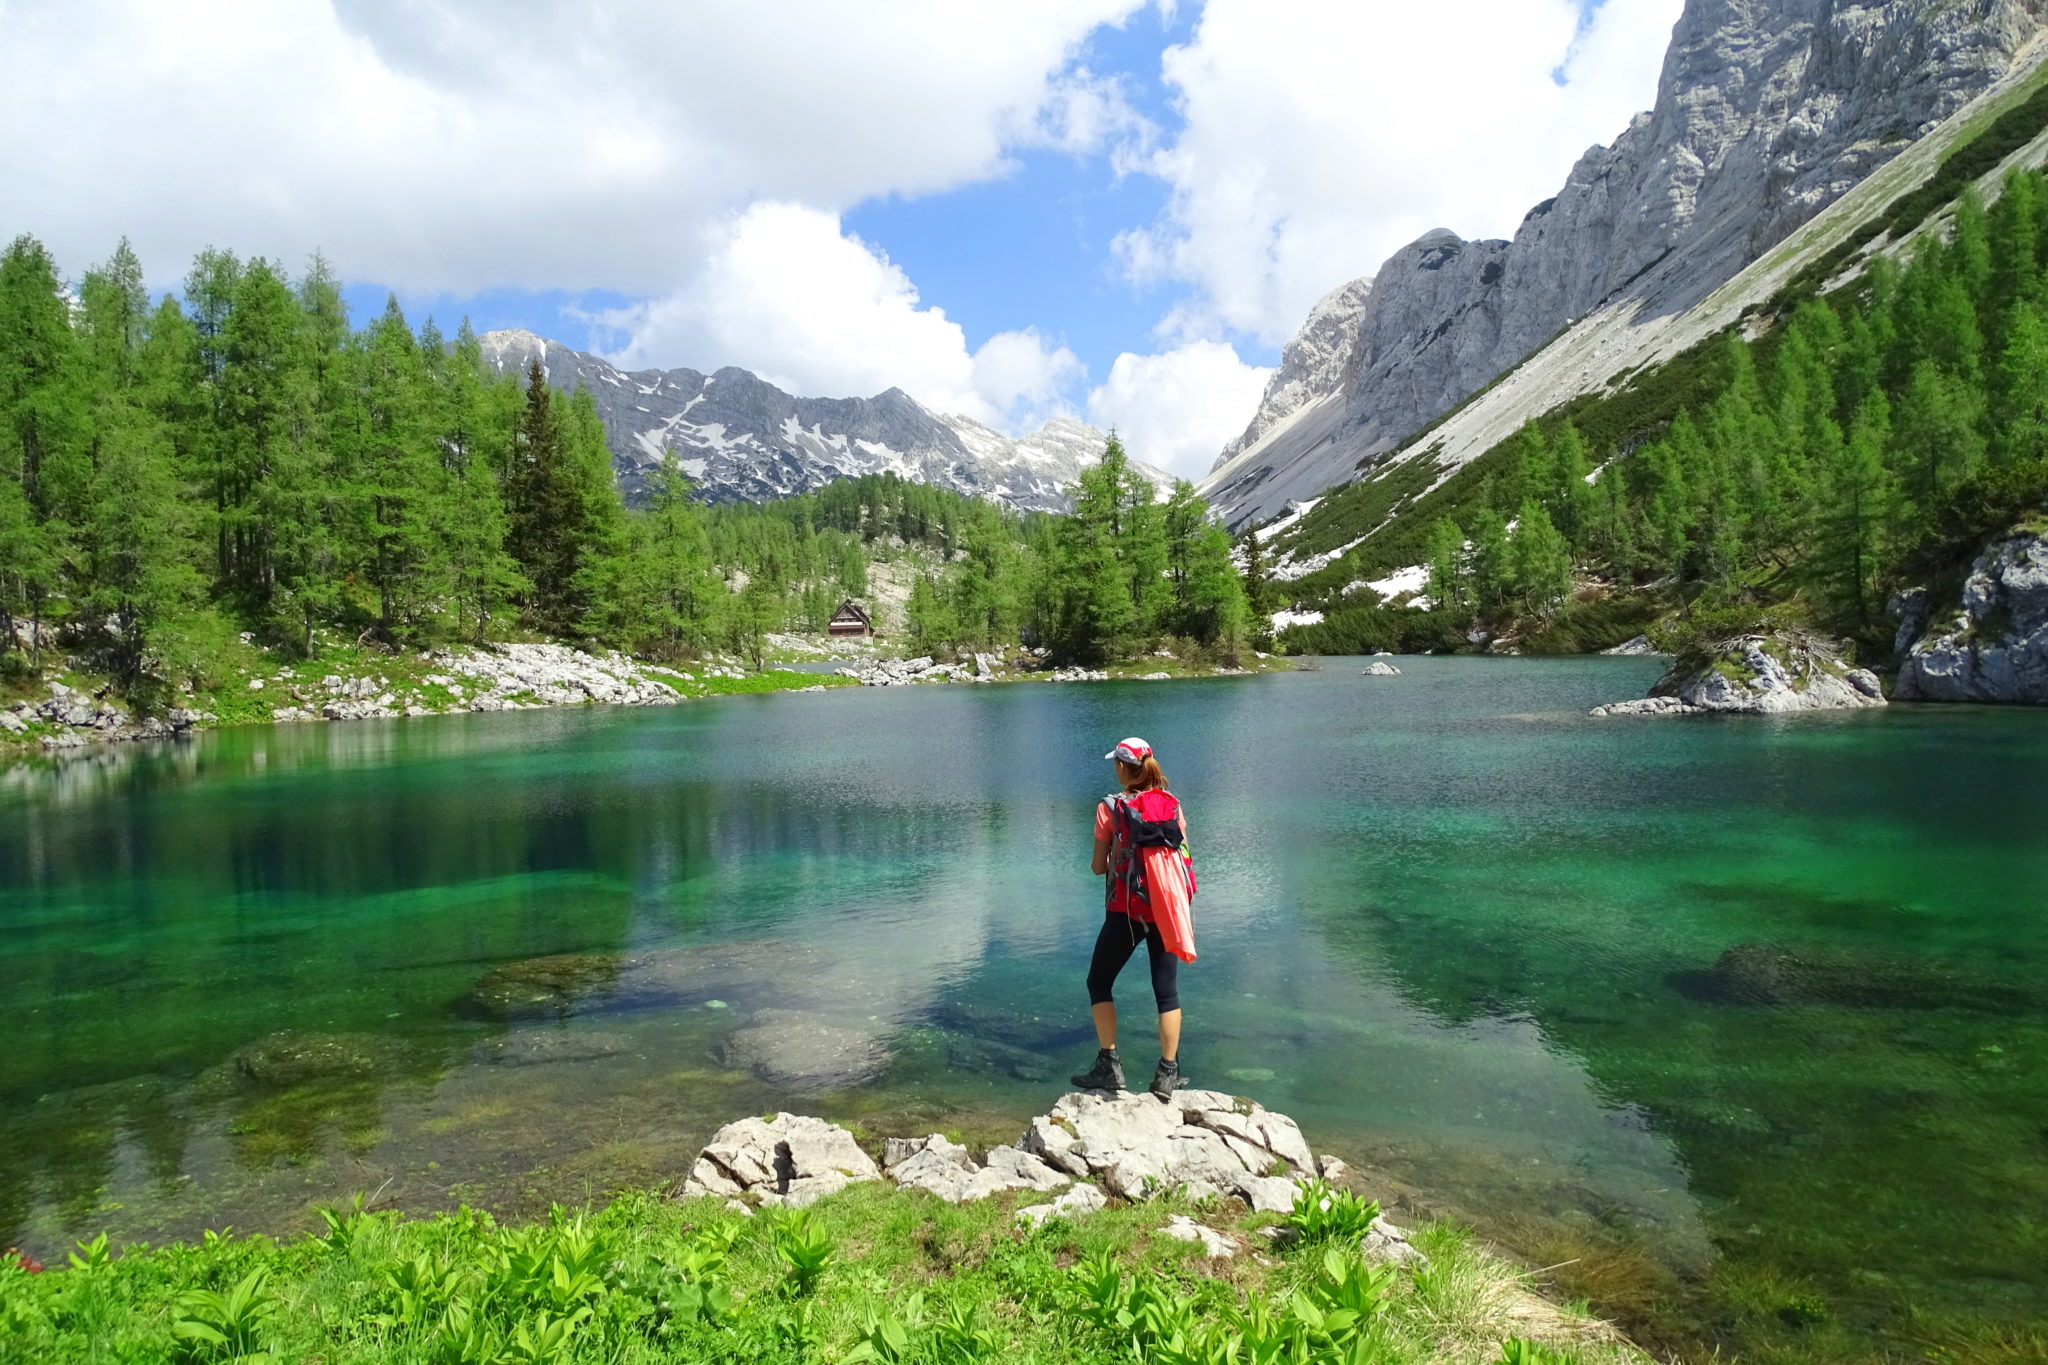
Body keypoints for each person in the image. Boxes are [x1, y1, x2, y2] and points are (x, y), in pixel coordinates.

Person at [1071, 737, 1197, 1100]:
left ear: (1124, 769)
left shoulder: (1110, 807)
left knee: (1098, 981)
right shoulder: (1172, 805)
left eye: (1116, 763)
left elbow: (1098, 867)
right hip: (1166, 909)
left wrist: (1116, 860)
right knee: (1167, 991)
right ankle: (1167, 1073)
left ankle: (1109, 1065)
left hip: (1126, 912)